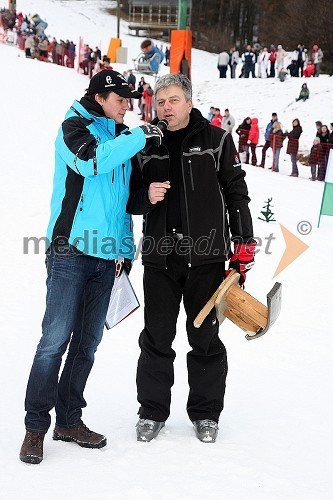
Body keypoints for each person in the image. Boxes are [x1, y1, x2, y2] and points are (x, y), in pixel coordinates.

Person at [19, 70, 164, 465]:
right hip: (71, 251)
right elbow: (91, 163)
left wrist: (143, 203)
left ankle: (69, 420)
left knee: (87, 344)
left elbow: (124, 200)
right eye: (121, 99)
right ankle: (35, 428)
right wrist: (138, 136)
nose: (127, 106)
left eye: (130, 101)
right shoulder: (73, 128)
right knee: (54, 341)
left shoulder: (121, 138)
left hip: (107, 256)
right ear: (101, 97)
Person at [127, 73, 255, 444]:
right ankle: (152, 411)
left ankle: (206, 414)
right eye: (160, 101)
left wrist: (243, 244)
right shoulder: (145, 143)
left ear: (189, 102)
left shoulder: (215, 140)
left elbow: (236, 192)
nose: (165, 107)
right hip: (159, 257)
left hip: (207, 257)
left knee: (205, 339)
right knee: (156, 337)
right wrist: (144, 195)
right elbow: (129, 197)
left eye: (172, 100)